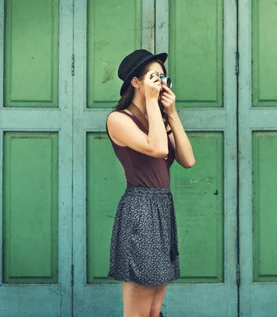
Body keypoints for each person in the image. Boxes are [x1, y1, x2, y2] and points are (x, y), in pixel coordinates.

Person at [105, 49, 195, 317]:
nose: (160, 82)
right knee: (138, 313)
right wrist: (154, 106)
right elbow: (156, 148)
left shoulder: (158, 120)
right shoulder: (119, 119)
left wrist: (172, 113)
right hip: (141, 211)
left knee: (154, 310)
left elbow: (188, 160)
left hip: (163, 208)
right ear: (136, 82)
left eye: (162, 76)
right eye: (153, 76)